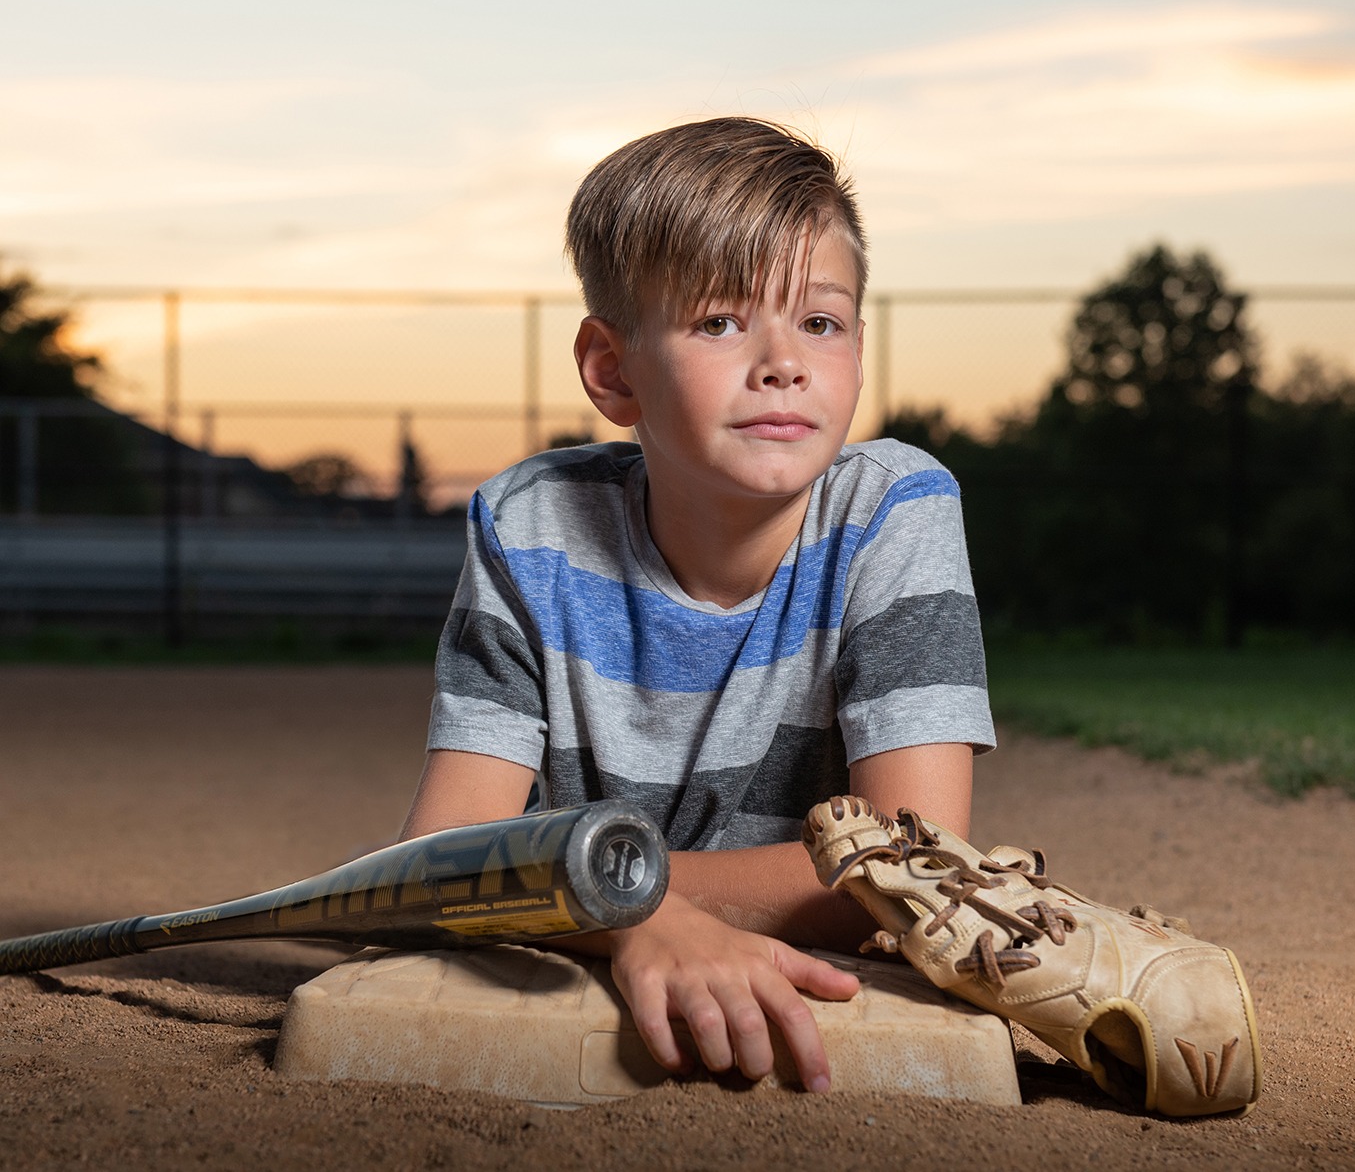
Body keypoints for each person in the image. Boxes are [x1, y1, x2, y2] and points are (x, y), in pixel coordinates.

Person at [398, 116, 993, 1094]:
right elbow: (439, 854)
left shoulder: (895, 508)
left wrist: (605, 890)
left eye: (820, 321)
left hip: (586, 906)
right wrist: (634, 920)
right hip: (594, 938)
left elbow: (911, 870)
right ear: (611, 370)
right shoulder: (530, 525)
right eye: (719, 322)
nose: (782, 361)